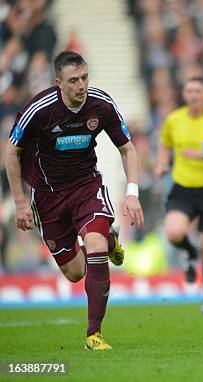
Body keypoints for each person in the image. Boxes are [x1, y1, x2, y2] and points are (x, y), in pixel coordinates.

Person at [5, 51, 144, 349]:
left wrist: (132, 192)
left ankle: (94, 333)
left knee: (92, 245)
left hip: (85, 186)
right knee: (75, 273)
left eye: (84, 78)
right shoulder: (39, 110)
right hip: (47, 196)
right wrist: (20, 201)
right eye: (73, 80)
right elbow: (12, 152)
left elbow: (128, 149)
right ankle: (109, 241)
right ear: (59, 83)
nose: (81, 85)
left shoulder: (101, 104)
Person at [155, 76, 203, 316]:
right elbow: (164, 144)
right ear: (184, 94)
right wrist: (161, 164)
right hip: (184, 189)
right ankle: (190, 253)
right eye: (188, 91)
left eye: (198, 91)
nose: (193, 95)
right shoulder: (174, 120)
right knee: (173, 232)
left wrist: (201, 155)